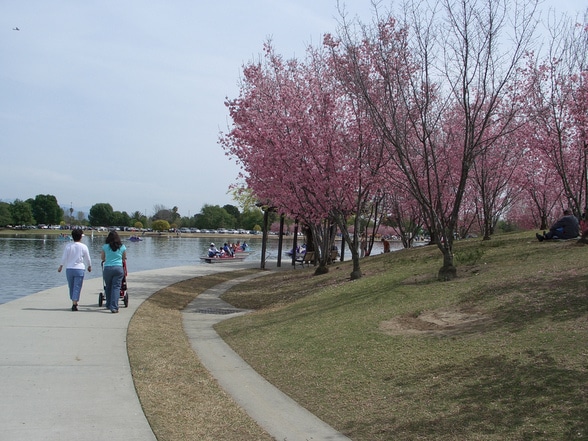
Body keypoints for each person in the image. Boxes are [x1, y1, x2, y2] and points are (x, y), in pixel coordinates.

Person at [58, 228, 92, 311]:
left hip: (69, 269)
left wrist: (61, 266)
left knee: (71, 286)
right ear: (80, 237)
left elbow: (64, 257)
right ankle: (74, 301)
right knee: (77, 286)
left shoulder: (68, 246)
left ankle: (74, 301)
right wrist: (89, 265)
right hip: (79, 268)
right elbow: (88, 257)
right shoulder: (83, 246)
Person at [100, 230, 127, 313]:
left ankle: (108, 304)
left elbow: (102, 258)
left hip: (108, 268)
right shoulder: (122, 247)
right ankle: (114, 307)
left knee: (108, 286)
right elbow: (124, 258)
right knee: (116, 287)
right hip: (118, 268)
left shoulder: (105, 247)